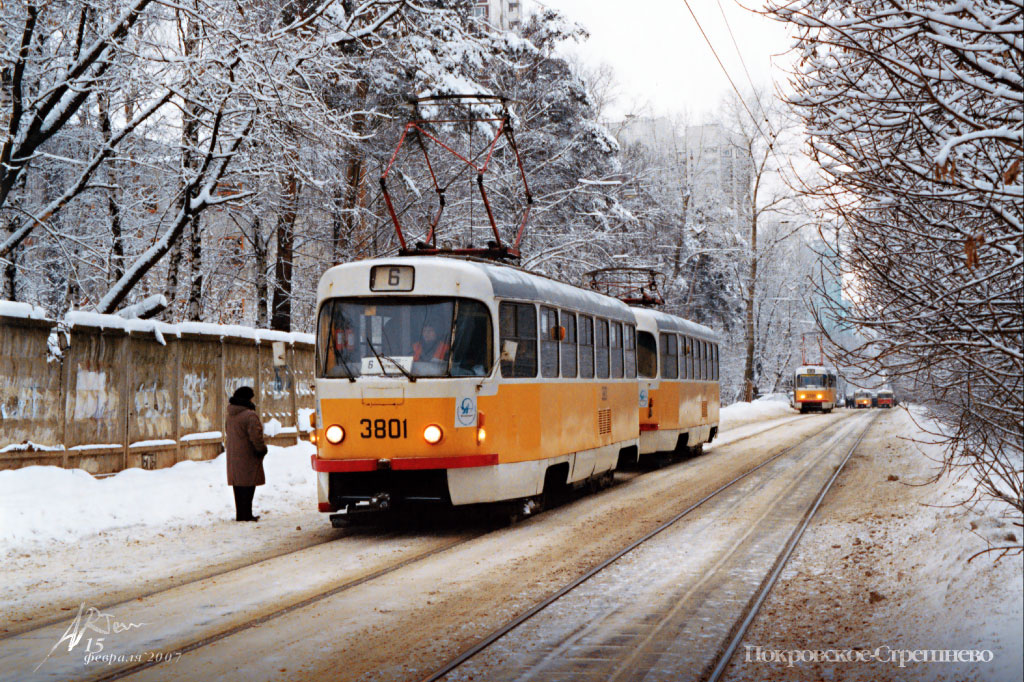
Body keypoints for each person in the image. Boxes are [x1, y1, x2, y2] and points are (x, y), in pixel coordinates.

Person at [225, 386, 267, 522]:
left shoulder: (230, 415)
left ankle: (241, 514)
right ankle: (247, 514)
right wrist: (261, 449)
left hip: (233, 456)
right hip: (248, 455)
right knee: (249, 485)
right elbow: (256, 436)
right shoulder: (250, 415)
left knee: (238, 486)